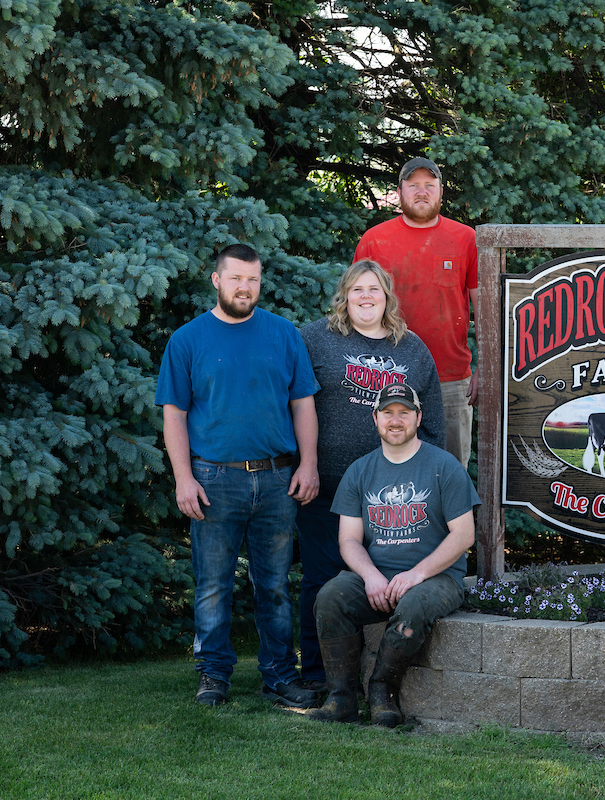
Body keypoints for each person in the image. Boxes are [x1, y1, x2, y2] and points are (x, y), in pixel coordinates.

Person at [155, 243, 322, 709]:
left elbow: (303, 404)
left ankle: (278, 675)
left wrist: (308, 464)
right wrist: (183, 478)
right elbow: (174, 415)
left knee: (272, 585)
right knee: (213, 584)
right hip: (213, 480)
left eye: (252, 279)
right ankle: (213, 675)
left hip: (276, 481)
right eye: (235, 279)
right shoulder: (187, 340)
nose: (244, 287)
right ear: (216, 280)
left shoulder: (284, 335)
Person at [296, 260, 445, 690]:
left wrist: (433, 482)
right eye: (357, 289)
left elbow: (432, 421)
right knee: (322, 580)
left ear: (387, 298)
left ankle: (385, 675)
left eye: (374, 290)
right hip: (326, 487)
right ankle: (320, 676)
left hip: (395, 497)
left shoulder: (411, 348)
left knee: (387, 581)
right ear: (345, 295)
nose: (366, 296)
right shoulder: (314, 339)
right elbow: (292, 401)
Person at [305, 383, 480, 726]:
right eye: (388, 412)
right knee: (330, 597)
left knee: (413, 606)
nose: (395, 420)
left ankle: (382, 692)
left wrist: (416, 575)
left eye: (404, 412)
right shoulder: (360, 471)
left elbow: (464, 535)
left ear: (419, 417)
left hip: (436, 578)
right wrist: (370, 576)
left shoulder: (444, 466)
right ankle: (341, 698)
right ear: (375, 418)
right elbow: (349, 541)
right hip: (378, 573)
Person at [353, 157, 478, 468]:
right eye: (413, 186)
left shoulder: (465, 239)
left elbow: (485, 306)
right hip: (384, 375)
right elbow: (356, 307)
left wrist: (486, 368)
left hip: (451, 378)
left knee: (451, 470)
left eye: (429, 186)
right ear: (399, 192)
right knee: (382, 469)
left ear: (440, 192)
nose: (421, 192)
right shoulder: (374, 240)